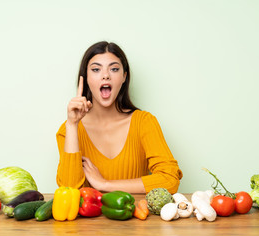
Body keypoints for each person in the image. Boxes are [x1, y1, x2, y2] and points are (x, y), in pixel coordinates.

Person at [56, 41, 182, 194]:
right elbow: (69, 191)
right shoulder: (68, 130)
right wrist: (72, 125)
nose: (105, 76)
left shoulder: (144, 122)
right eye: (96, 69)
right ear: (86, 78)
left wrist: (105, 184)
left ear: (124, 77)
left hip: (135, 216)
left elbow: (169, 180)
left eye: (114, 69)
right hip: (90, 219)